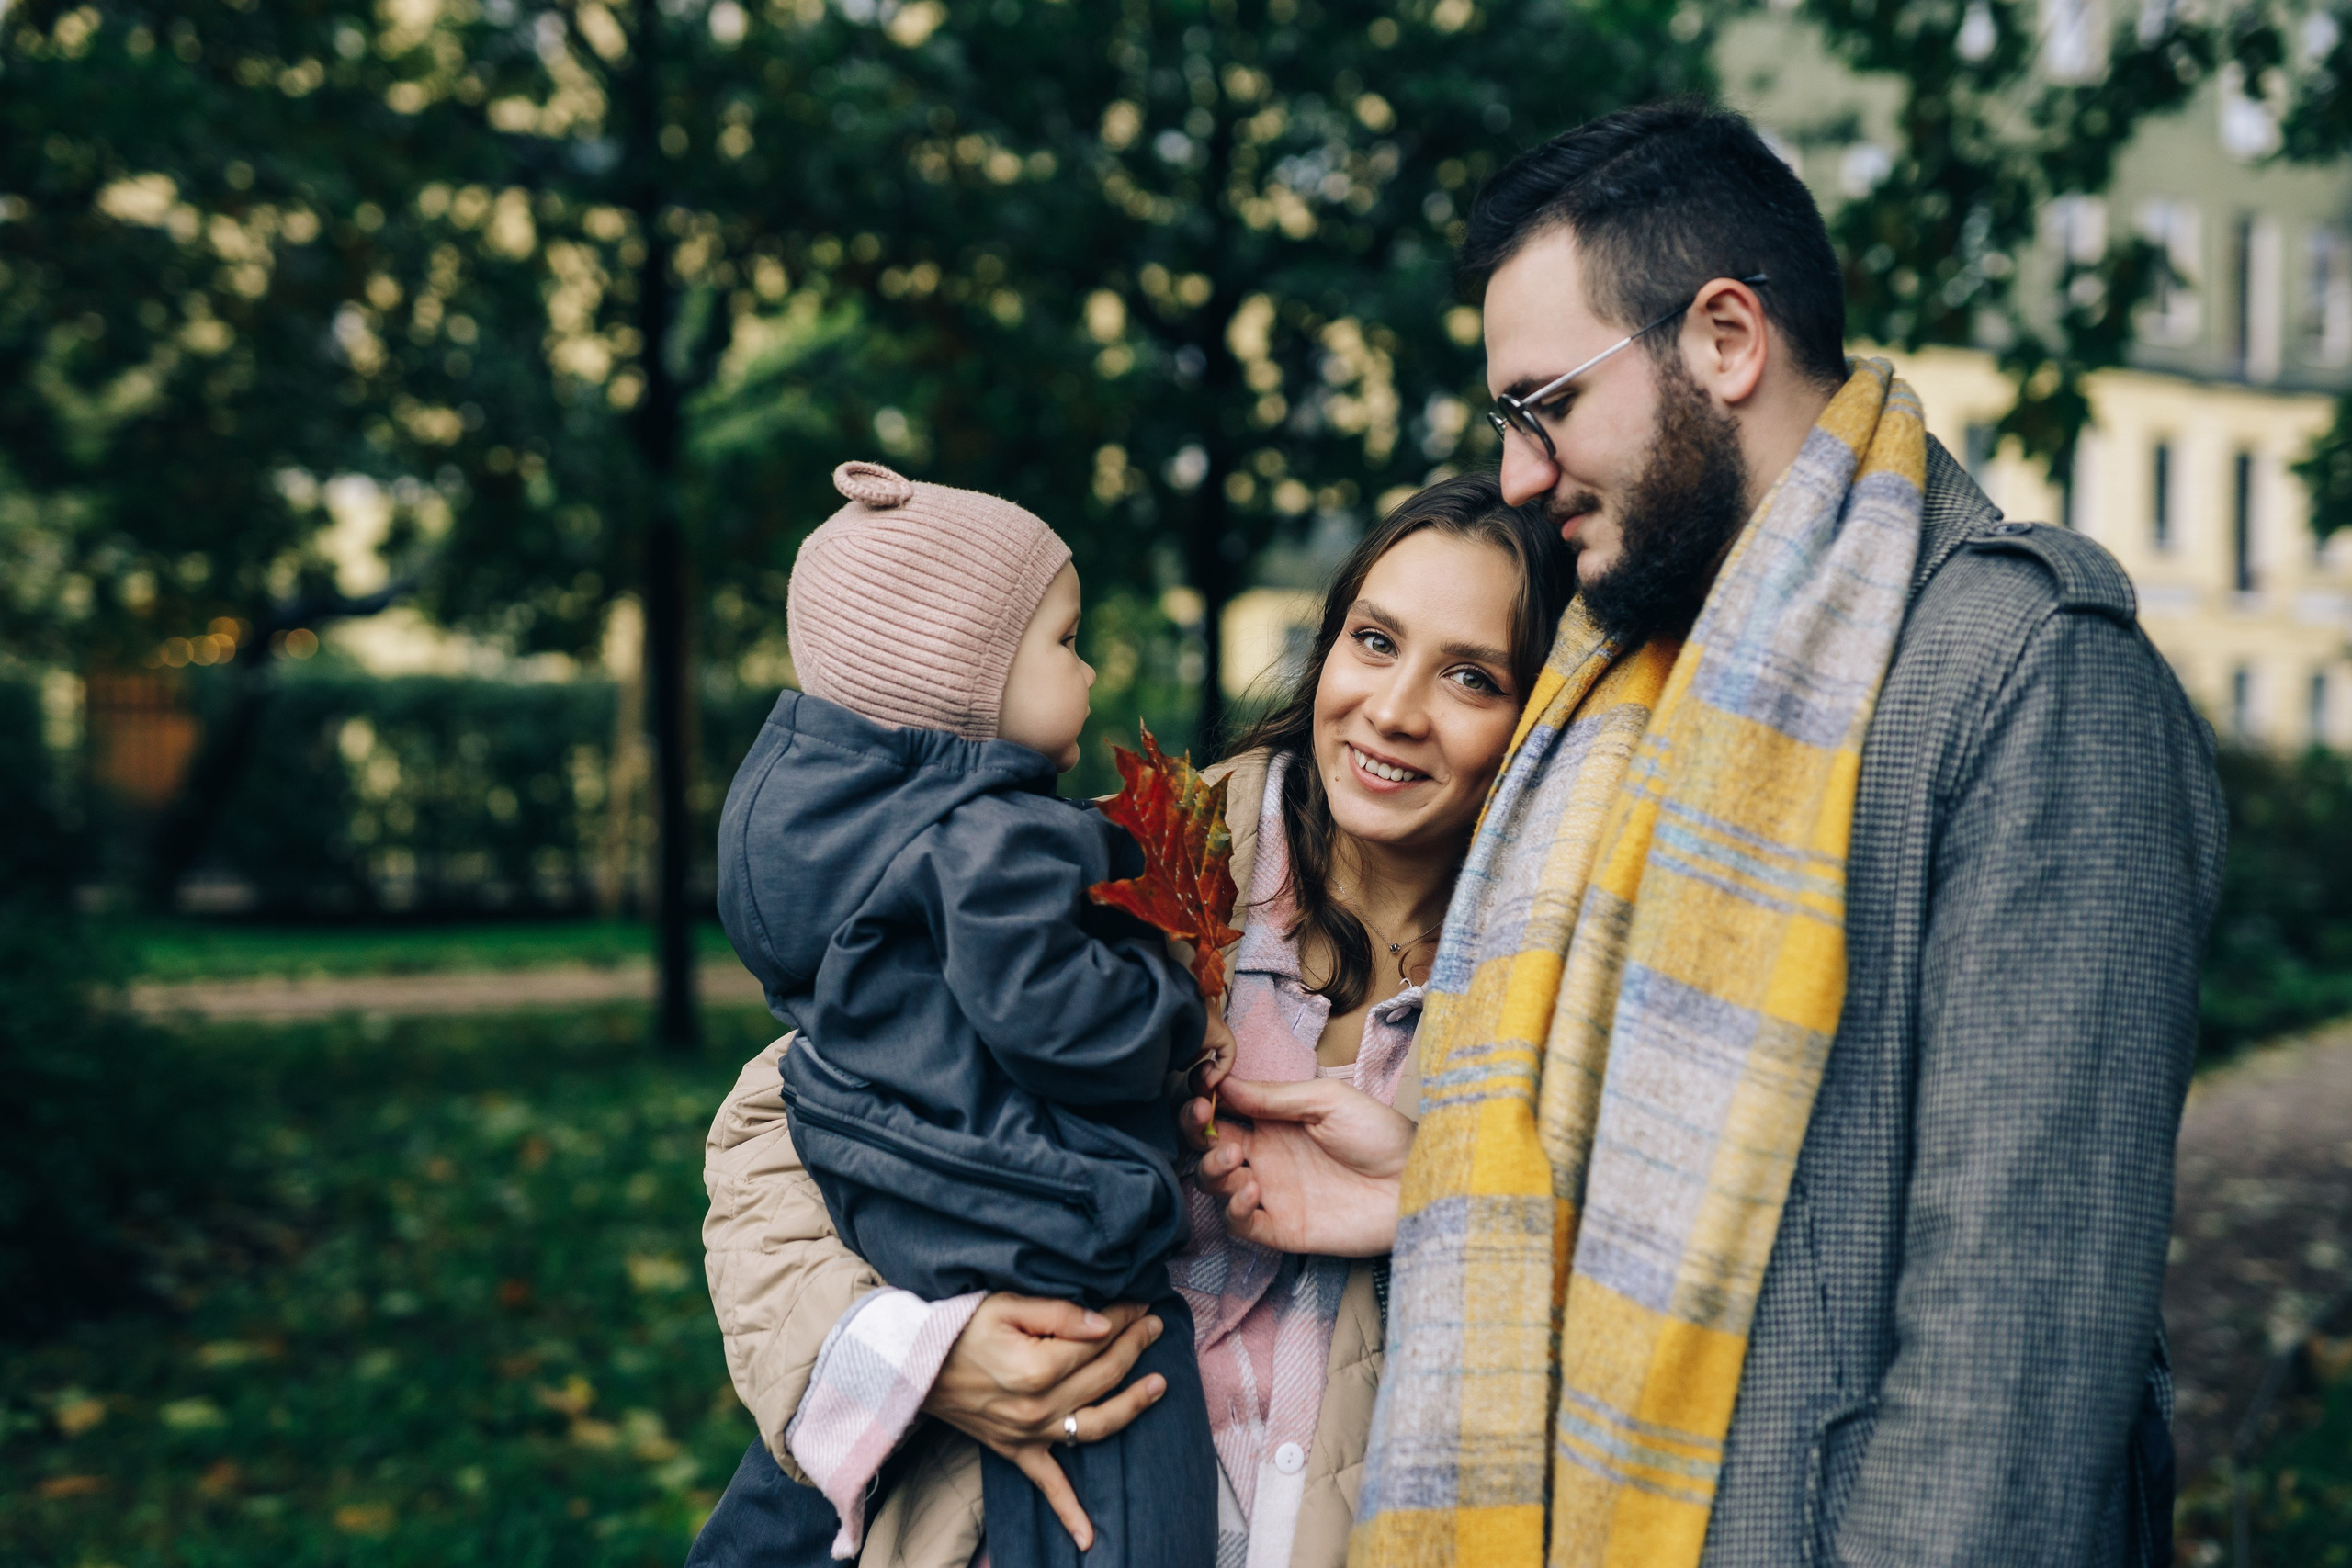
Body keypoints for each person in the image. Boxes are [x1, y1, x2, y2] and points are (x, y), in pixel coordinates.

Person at [1188, 102, 2226, 1567]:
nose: (1526, 474)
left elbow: (2017, 1357)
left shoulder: (2026, 671)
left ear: (1726, 340)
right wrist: (1434, 1181)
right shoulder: (1628, 687)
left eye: (1543, 404)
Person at [686, 474, 1575, 1568]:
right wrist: (923, 1356)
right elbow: (772, 1138)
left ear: (1540, 716)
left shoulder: (1569, 986)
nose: (1393, 708)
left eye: (1472, 677)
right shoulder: (1129, 866)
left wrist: (1432, 1194)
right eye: (1374, 641)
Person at [713, 458, 1217, 1568]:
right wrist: (1170, 997)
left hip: (890, 1198)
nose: (1087, 673)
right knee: (1131, 1421)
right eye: (1066, 642)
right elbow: (1060, 1022)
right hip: (1039, 1218)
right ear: (962, 672)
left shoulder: (815, 830)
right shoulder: (997, 839)